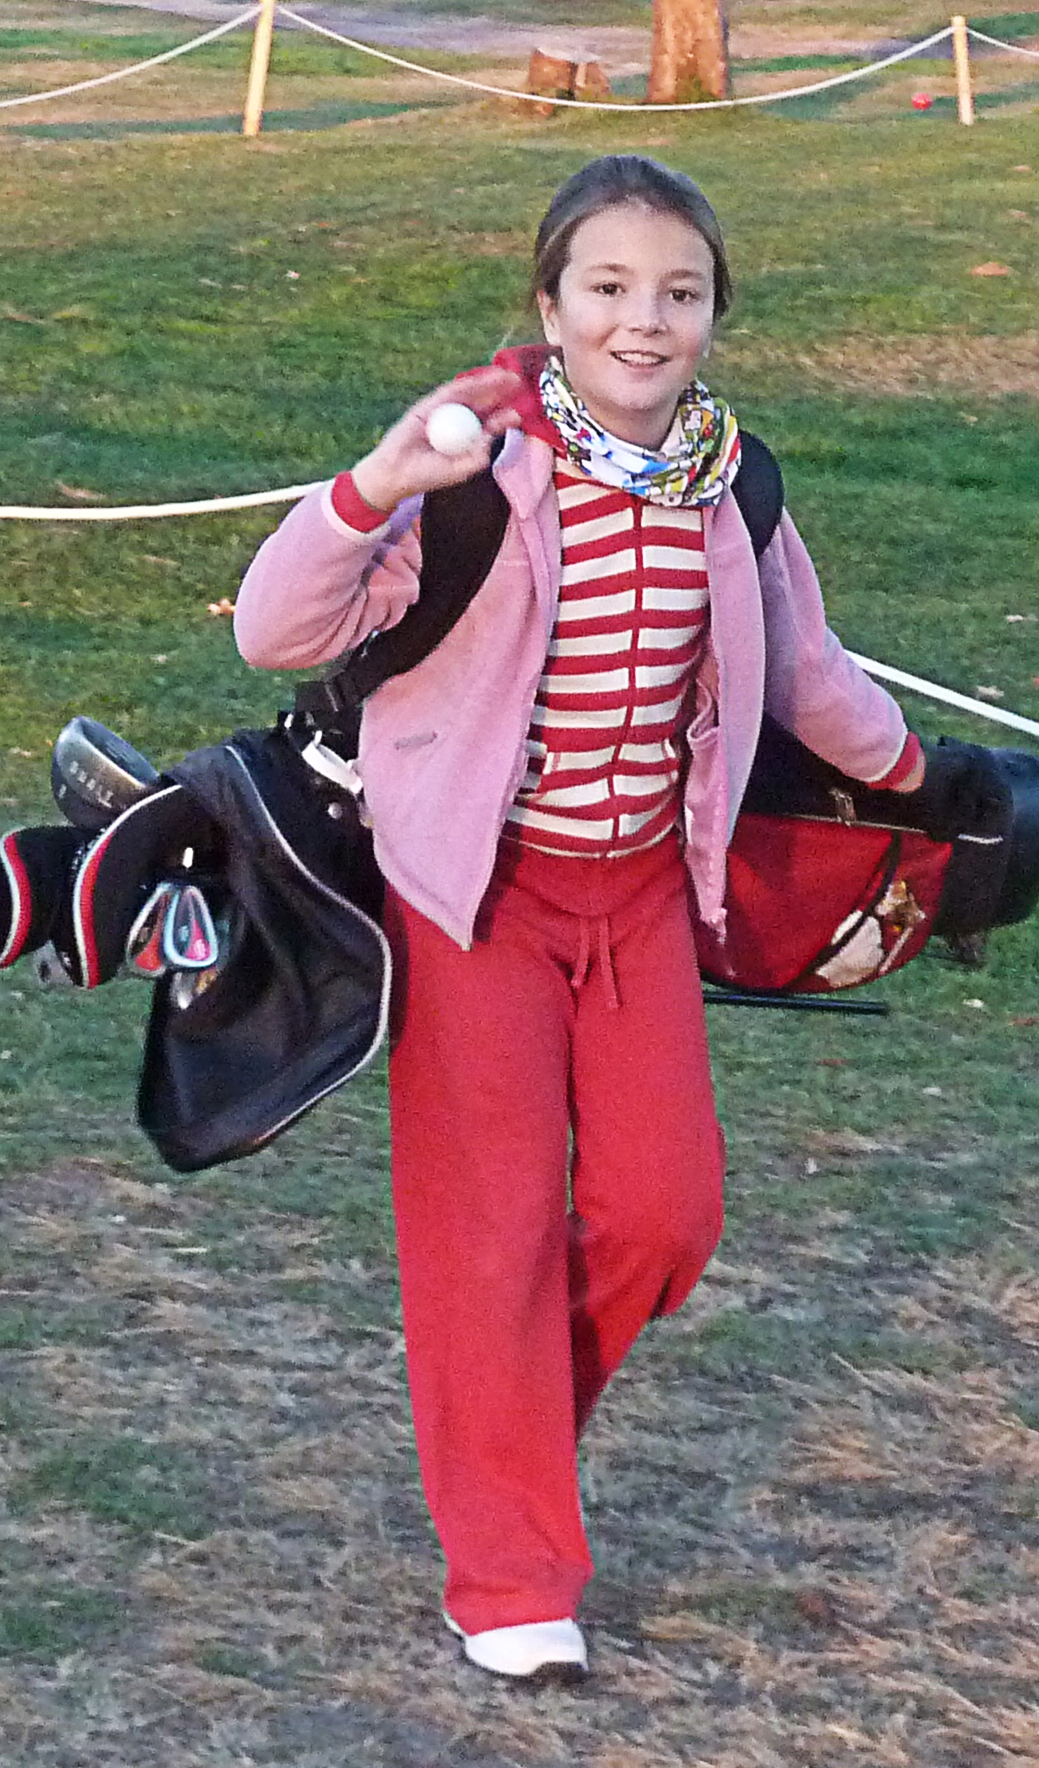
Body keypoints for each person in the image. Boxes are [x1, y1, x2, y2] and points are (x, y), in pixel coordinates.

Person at [233, 154, 924, 1685]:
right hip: (473, 898)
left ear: (716, 314)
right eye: (607, 287)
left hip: (643, 899)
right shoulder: (479, 463)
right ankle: (509, 1571)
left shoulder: (733, 481)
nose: (643, 320)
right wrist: (373, 486)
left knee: (667, 1214)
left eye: (680, 292)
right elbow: (275, 627)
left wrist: (928, 780)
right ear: (550, 306)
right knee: (488, 1240)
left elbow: (806, 672)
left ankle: (506, 1427)